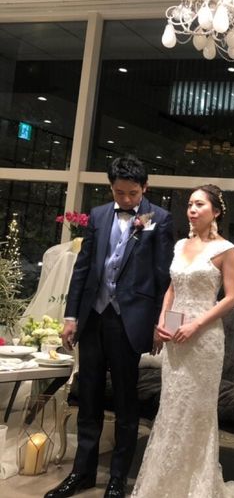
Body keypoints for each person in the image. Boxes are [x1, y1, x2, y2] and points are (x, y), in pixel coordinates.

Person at [131, 184, 234, 498]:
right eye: (189, 204)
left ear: (216, 211)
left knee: (195, 413)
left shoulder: (226, 249)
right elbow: (173, 288)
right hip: (176, 337)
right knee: (172, 410)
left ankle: (195, 488)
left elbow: (232, 297)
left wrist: (195, 324)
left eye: (199, 204)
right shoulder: (180, 244)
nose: (192, 210)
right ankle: (165, 486)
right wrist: (163, 321)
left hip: (204, 339)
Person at [45, 155, 174, 498]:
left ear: (145, 188)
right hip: (93, 318)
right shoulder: (99, 215)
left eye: (133, 193)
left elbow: (164, 278)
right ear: (111, 187)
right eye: (120, 193)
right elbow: (83, 268)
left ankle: (117, 477)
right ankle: (82, 473)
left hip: (129, 322)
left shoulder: (159, 219)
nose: (126, 199)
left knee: (125, 402)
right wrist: (71, 317)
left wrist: (159, 323)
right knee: (88, 397)